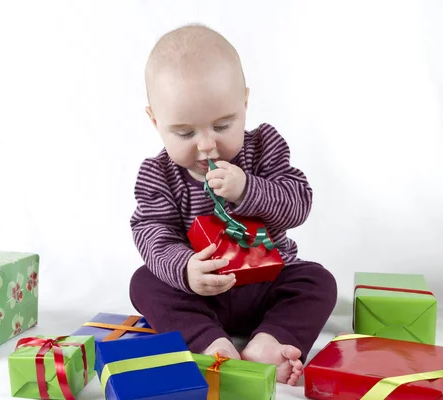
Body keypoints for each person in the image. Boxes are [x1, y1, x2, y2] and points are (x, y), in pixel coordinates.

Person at [129, 23, 337, 386]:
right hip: (201, 292)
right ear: (155, 121)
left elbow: (298, 204)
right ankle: (209, 342)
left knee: (318, 281)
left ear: (244, 103)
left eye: (223, 125)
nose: (206, 145)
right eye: (185, 133)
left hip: (268, 282)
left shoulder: (265, 146)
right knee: (144, 282)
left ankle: (270, 341)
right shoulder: (157, 174)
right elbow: (152, 234)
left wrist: (247, 189)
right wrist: (186, 270)